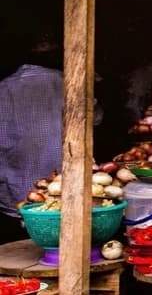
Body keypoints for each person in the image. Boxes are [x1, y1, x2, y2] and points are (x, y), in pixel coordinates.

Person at [0, 30, 102, 244]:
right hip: (65, 193)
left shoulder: (3, 88)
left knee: (22, 253)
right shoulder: (69, 83)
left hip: (15, 197)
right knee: (65, 245)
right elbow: (95, 120)